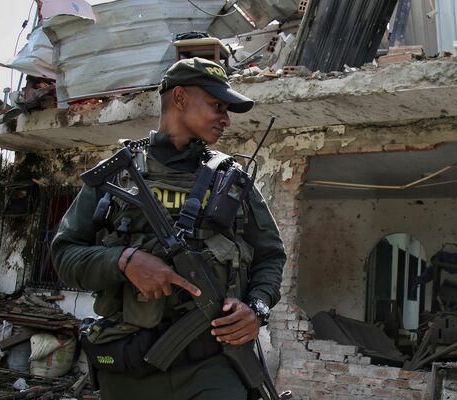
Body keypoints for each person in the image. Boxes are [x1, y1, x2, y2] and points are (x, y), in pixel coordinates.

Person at [51, 57, 286, 400]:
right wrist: (125, 261)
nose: (225, 118)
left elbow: (271, 256)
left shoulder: (232, 182)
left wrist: (258, 309)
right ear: (179, 98)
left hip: (214, 363)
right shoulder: (116, 176)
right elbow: (65, 257)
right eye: (217, 105)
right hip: (129, 365)